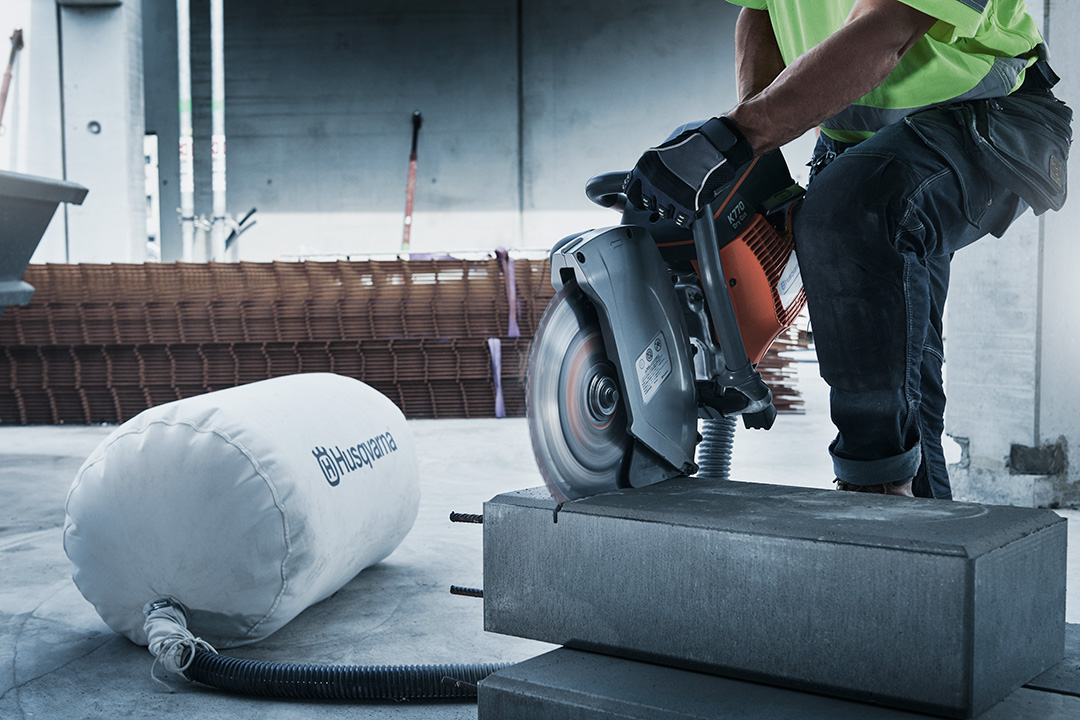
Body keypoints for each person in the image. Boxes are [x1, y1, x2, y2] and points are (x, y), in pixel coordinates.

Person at [625, 0, 1072, 499]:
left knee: (848, 215)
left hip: (986, 116)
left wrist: (739, 134)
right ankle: (927, 535)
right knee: (902, 360)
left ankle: (877, 490)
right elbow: (762, 12)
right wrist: (753, 145)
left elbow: (889, 29)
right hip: (856, 139)